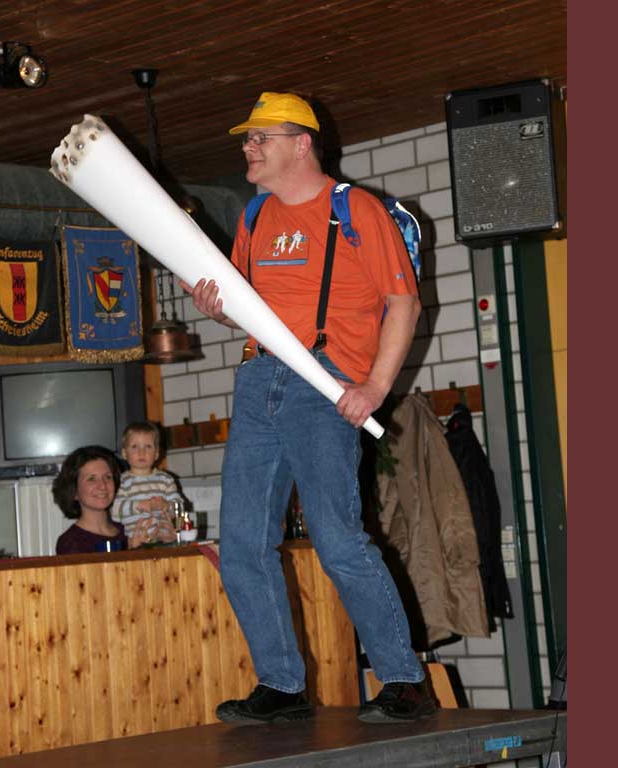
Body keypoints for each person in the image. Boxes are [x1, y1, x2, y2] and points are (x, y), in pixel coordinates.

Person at [183, 91, 435, 724]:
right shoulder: (255, 214)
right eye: (247, 139)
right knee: (241, 544)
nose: (248, 147)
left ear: (301, 144)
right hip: (257, 379)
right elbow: (242, 306)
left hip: (323, 385)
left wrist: (374, 388)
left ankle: (405, 679)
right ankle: (282, 686)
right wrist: (215, 305)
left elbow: (403, 303)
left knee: (338, 540)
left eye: (259, 138)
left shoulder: (355, 209)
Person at [52, 445, 160, 554]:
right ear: (74, 491)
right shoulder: (70, 542)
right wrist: (131, 552)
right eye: (91, 479)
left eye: (108, 477)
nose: (102, 485)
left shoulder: (128, 529)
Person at [111, 421, 183, 544]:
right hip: (136, 544)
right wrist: (138, 505)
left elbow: (180, 508)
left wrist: (167, 505)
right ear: (124, 453)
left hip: (165, 541)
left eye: (148, 446)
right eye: (135, 446)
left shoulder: (166, 480)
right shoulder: (121, 482)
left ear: (156, 454)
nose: (142, 452)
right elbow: (114, 512)